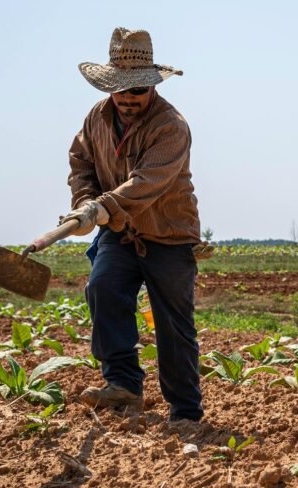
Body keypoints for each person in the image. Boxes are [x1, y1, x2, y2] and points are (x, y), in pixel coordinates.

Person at [62, 27, 212, 422]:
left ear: (152, 88)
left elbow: (147, 183)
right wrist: (83, 203)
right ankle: (124, 385)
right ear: (109, 87)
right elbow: (81, 163)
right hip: (119, 232)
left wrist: (100, 207)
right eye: (121, 90)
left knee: (172, 324)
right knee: (103, 287)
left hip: (168, 235)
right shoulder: (96, 118)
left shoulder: (171, 126)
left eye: (138, 91)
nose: (129, 99)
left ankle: (185, 411)